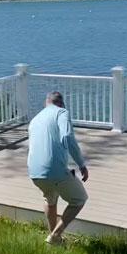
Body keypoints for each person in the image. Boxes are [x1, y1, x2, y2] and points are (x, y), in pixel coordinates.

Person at [26, 91, 89, 246]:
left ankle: (55, 240)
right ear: (61, 103)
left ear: (46, 103)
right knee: (79, 199)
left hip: (34, 172)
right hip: (54, 171)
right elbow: (67, 137)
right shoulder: (62, 112)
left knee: (50, 198)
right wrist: (81, 164)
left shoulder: (34, 120)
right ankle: (54, 236)